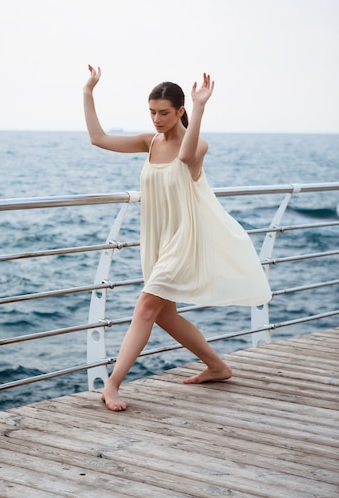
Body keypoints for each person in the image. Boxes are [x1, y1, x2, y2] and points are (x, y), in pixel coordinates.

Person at [83, 64, 272, 411]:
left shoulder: (198, 145)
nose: (156, 119)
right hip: (157, 239)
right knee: (164, 313)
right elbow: (99, 139)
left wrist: (201, 107)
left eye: (164, 113)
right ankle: (218, 367)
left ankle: (111, 385)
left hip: (185, 239)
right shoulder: (149, 141)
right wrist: (88, 92)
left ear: (180, 111)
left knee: (145, 308)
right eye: (152, 112)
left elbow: (185, 156)